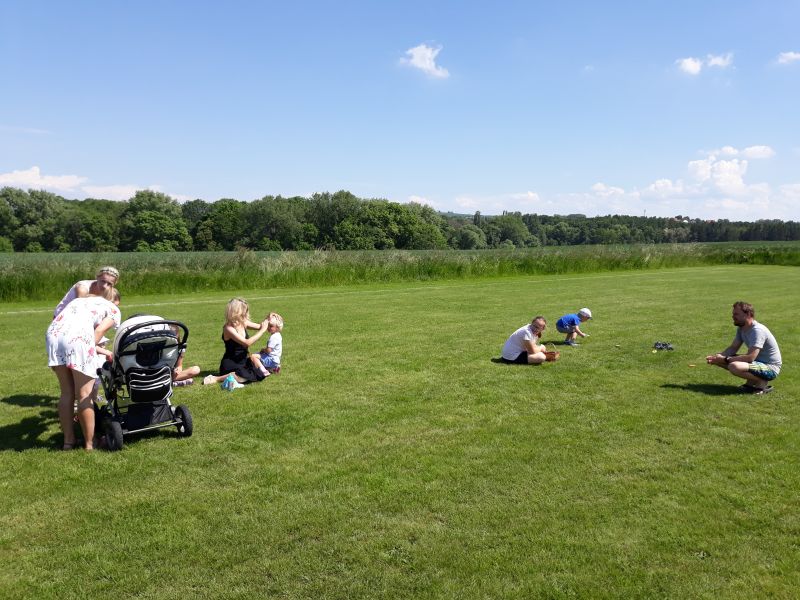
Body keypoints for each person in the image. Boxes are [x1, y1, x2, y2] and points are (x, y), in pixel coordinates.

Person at [46, 287, 121, 450]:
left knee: (66, 393)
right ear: (114, 301)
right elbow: (99, 331)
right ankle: (90, 443)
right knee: (84, 394)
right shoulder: (112, 308)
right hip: (77, 339)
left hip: (53, 335)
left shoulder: (78, 302)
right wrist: (90, 349)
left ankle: (68, 442)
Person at [705, 301, 782, 395]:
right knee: (719, 360)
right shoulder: (742, 328)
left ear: (748, 314)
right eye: (733, 314)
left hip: (770, 368)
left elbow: (750, 357)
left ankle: (761, 381)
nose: (733, 316)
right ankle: (750, 384)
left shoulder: (757, 330)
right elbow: (733, 348)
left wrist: (725, 359)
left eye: (736, 314)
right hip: (757, 364)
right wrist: (717, 357)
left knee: (734, 366)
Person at [203, 298, 270, 387]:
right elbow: (247, 343)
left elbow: (261, 326)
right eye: (244, 311)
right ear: (236, 312)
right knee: (243, 377)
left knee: (258, 374)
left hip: (243, 362)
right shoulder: (228, 328)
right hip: (231, 363)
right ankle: (216, 378)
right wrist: (262, 331)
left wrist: (270, 318)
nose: (246, 313)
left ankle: (235, 376)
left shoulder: (243, 322)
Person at [54, 266, 119, 318]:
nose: (104, 286)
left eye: (109, 284)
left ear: (114, 283)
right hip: (62, 316)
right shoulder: (82, 287)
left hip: (84, 317)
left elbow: (116, 303)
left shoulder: (112, 292)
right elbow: (82, 306)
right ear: (97, 277)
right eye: (103, 281)